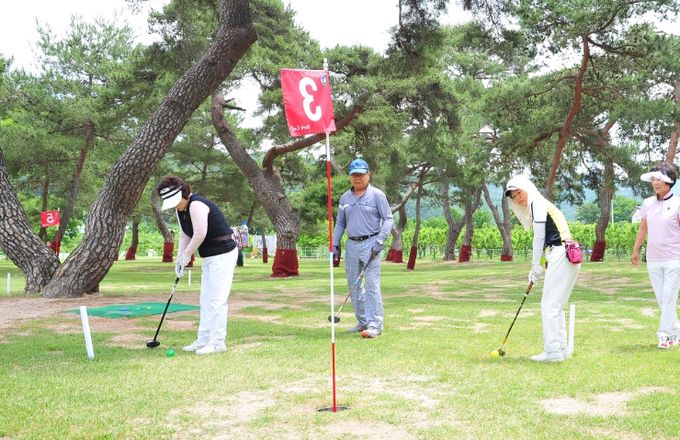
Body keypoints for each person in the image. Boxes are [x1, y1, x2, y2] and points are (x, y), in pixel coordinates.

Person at [157, 176, 239, 355]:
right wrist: (180, 259)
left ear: (183, 194)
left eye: (175, 201)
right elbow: (185, 235)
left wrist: (188, 255)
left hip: (223, 254)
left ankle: (217, 342)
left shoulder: (196, 204)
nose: (174, 206)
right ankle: (203, 339)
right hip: (209, 256)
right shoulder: (180, 210)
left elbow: (200, 233)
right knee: (205, 299)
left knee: (217, 300)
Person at [505, 175, 580, 362]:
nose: (518, 198)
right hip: (567, 254)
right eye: (514, 197)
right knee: (556, 306)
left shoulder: (537, 203)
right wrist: (541, 264)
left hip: (561, 253)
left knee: (549, 305)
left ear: (527, 189)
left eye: (519, 193)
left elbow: (538, 237)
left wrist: (534, 266)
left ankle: (553, 352)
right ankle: (561, 350)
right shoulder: (541, 203)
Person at [333, 158, 394, 338]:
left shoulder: (377, 195)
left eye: (361, 174)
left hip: (371, 243)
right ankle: (363, 322)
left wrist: (380, 241)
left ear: (368, 175)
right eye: (354, 175)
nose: (357, 178)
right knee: (354, 285)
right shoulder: (345, 198)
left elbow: (388, 219)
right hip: (351, 244)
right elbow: (340, 223)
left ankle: (375, 325)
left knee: (372, 285)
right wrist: (335, 243)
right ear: (350, 177)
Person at [631, 162, 680, 349]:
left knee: (668, 296)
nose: (655, 182)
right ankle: (676, 331)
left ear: (669, 181)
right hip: (653, 259)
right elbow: (643, 228)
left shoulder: (677, 203)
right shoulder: (647, 203)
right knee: (662, 298)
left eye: (659, 179)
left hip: (674, 258)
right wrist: (635, 250)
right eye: (653, 179)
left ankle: (664, 335)